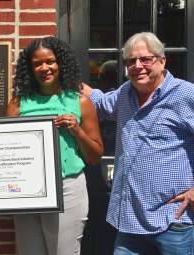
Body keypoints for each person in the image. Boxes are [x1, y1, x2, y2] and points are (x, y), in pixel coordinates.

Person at [82, 32, 194, 254]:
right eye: (131, 61)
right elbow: (101, 102)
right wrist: (64, 78)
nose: (138, 66)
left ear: (162, 61)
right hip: (130, 222)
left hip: (173, 221)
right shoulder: (125, 93)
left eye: (145, 59)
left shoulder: (185, 95)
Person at [7, 36, 103, 255]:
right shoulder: (18, 103)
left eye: (50, 61)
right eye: (37, 63)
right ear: (29, 69)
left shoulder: (80, 102)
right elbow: (7, 150)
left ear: (61, 63)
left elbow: (95, 155)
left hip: (66, 187)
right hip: (27, 190)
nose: (44, 68)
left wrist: (76, 130)